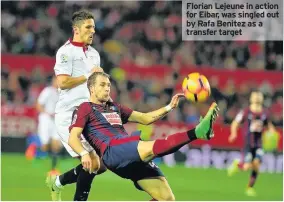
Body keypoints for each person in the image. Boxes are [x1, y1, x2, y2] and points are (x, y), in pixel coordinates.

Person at [67, 72, 219, 201]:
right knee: (152, 148)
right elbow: (73, 137)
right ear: (91, 88)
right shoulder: (85, 108)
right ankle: (197, 132)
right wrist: (84, 153)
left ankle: (198, 132)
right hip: (111, 150)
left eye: (108, 85)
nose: (107, 88)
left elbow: (145, 118)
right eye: (102, 85)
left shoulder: (115, 107)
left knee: (166, 198)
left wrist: (169, 107)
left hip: (125, 152)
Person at [46, 10, 107, 201]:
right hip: (69, 116)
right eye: (88, 27)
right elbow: (62, 82)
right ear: (76, 30)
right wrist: (88, 75)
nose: (92, 31)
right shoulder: (65, 52)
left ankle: (57, 182)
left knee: (102, 165)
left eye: (94, 27)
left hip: (89, 115)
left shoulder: (94, 55)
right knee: (92, 162)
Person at [228, 90, 276, 197]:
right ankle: (237, 164)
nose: (257, 97)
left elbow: (268, 125)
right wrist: (233, 133)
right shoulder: (246, 111)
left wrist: (272, 132)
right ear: (251, 99)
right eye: (255, 96)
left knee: (257, 165)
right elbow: (235, 122)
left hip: (259, 144)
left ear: (262, 99)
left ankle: (250, 188)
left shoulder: (265, 113)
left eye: (259, 95)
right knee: (246, 167)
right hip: (248, 143)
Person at [36, 75, 62, 175]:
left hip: (56, 120)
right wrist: (46, 113)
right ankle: (33, 149)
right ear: (53, 81)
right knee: (45, 146)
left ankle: (53, 169)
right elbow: (38, 104)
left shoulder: (63, 93)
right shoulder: (47, 91)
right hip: (46, 119)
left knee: (56, 145)